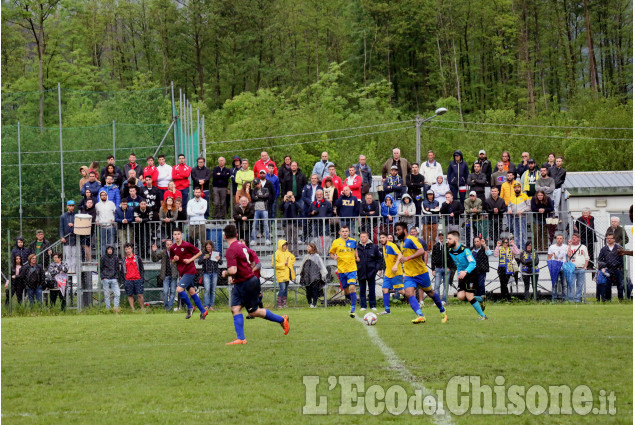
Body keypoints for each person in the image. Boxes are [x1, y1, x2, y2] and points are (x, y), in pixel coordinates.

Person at [222, 224, 289, 345]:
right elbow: (253, 263)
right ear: (237, 235)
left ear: (224, 236)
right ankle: (241, 339)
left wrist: (225, 273)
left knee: (253, 311)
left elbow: (233, 270)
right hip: (243, 282)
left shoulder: (231, 249)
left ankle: (282, 319)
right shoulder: (242, 246)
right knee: (235, 308)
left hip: (246, 282)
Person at [395, 222, 447, 324]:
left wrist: (408, 258)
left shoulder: (412, 239)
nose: (396, 232)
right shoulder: (402, 243)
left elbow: (422, 251)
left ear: (405, 230)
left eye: (398, 230)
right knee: (409, 293)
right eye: (396, 230)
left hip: (421, 273)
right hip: (410, 275)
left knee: (431, 293)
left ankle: (442, 310)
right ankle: (420, 315)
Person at [168, 228, 206, 319]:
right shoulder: (173, 248)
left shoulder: (187, 245)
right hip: (183, 272)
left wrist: (190, 260)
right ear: (173, 236)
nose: (177, 236)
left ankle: (190, 307)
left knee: (179, 289)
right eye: (175, 234)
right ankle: (203, 311)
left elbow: (199, 252)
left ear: (181, 235)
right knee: (192, 292)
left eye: (178, 234)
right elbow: (172, 260)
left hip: (190, 270)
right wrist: (175, 260)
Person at [329, 225, 359, 318]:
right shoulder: (336, 242)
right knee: (346, 290)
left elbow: (355, 252)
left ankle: (353, 308)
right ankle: (349, 301)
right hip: (341, 269)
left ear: (349, 232)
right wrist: (334, 257)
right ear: (340, 233)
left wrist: (357, 257)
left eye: (346, 231)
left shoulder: (353, 241)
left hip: (352, 269)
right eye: (343, 231)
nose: (345, 233)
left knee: (352, 288)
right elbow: (331, 253)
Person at [378, 231, 404, 315]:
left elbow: (400, 255)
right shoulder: (384, 247)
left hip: (396, 272)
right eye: (380, 238)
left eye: (383, 237)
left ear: (387, 238)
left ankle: (415, 300)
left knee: (401, 291)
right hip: (388, 273)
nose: (381, 239)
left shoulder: (392, 245)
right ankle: (387, 310)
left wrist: (396, 265)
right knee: (384, 289)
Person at [356, 231, 382, 311]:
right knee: (362, 290)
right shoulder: (356, 247)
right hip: (361, 271)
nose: (362, 238)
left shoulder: (374, 247)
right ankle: (363, 306)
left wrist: (376, 268)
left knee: (372, 289)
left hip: (371, 271)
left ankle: (373, 305)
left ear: (368, 237)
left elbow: (379, 258)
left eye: (364, 236)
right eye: (361, 236)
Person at [151, 239, 178, 310]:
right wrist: (154, 251)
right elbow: (155, 259)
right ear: (166, 245)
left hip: (173, 275)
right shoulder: (163, 252)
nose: (169, 246)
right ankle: (166, 307)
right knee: (165, 292)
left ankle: (170, 307)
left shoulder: (176, 253)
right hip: (165, 275)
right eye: (168, 244)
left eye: (170, 244)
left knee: (172, 292)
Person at [299, 243, 327, 308]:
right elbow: (302, 266)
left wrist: (324, 273)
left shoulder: (317, 257)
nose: (307, 248)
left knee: (315, 290)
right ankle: (310, 302)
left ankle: (314, 303)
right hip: (307, 277)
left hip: (315, 277)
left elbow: (321, 265)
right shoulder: (306, 257)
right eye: (307, 247)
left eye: (309, 247)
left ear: (312, 248)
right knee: (308, 290)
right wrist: (299, 273)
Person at [597, 233, 624, 301]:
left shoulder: (618, 248)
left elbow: (622, 259)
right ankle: (608, 300)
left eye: (610, 238)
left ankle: (621, 300)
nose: (609, 239)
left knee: (620, 285)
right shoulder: (604, 249)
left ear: (614, 239)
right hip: (608, 269)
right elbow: (600, 259)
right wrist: (603, 267)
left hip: (617, 269)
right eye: (607, 238)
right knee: (607, 285)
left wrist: (620, 267)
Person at [566, 233, 589, 303]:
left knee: (580, 285)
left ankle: (578, 299)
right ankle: (571, 299)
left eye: (575, 237)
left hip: (581, 268)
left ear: (579, 239)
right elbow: (568, 255)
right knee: (571, 284)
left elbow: (587, 258)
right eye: (572, 237)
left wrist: (585, 266)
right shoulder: (569, 247)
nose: (573, 239)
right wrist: (569, 245)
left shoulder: (583, 247)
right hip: (572, 269)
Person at [121, 243, 144, 310]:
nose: (128, 250)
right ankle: (133, 309)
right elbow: (122, 270)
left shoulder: (137, 258)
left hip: (138, 279)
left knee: (140, 294)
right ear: (125, 250)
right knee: (130, 295)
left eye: (129, 249)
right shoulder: (124, 259)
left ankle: (142, 308)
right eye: (126, 249)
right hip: (128, 279)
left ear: (132, 249)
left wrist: (141, 277)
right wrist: (124, 279)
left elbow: (141, 268)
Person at [199, 240, 221, 311]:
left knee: (213, 290)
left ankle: (211, 305)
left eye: (209, 247)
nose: (208, 248)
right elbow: (199, 262)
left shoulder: (215, 253)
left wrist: (219, 259)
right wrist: (204, 258)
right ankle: (206, 305)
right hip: (206, 273)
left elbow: (221, 263)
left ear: (212, 247)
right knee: (207, 289)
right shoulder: (203, 253)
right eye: (207, 247)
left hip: (214, 273)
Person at [273, 240, 295, 308]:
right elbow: (274, 264)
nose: (285, 247)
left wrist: (289, 264)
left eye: (286, 245)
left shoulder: (288, 253)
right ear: (281, 246)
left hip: (287, 274)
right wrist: (283, 264)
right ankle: (279, 304)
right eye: (284, 245)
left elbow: (293, 258)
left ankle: (284, 304)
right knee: (282, 288)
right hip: (281, 274)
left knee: (285, 289)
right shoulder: (276, 253)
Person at [507, 182, 530, 247]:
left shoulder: (525, 196)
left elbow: (529, 206)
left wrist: (522, 211)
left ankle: (524, 247)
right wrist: (509, 209)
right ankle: (516, 247)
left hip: (523, 217)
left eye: (518, 187)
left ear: (520, 188)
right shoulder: (511, 197)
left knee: (523, 232)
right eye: (515, 188)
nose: (517, 189)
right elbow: (509, 206)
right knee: (516, 233)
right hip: (514, 217)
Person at [547, 234, 568, 302]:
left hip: (563, 267)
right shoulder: (552, 247)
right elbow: (549, 257)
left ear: (563, 239)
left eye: (560, 238)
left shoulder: (566, 247)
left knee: (564, 284)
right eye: (558, 238)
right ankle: (554, 299)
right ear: (556, 239)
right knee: (554, 284)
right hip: (554, 267)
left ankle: (565, 299)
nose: (559, 240)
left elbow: (568, 256)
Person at [251, 178, 272, 245]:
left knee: (266, 224)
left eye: (257, 183)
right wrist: (261, 197)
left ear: (260, 183)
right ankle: (253, 239)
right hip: (256, 209)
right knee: (254, 225)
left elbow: (266, 196)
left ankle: (267, 239)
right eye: (255, 184)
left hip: (264, 209)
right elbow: (253, 198)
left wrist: (258, 196)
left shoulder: (265, 189)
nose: (256, 185)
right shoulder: (254, 190)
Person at [96, 190, 117, 255]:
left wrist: (113, 220)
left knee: (111, 243)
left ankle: (112, 257)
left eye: (105, 195)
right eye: (102, 195)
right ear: (100, 196)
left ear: (107, 196)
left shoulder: (111, 204)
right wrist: (97, 221)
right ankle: (103, 258)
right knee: (103, 244)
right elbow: (97, 215)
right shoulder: (97, 205)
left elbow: (115, 213)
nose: (103, 196)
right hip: (102, 227)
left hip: (110, 226)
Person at [100, 245, 121, 312]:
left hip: (114, 278)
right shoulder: (103, 258)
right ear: (106, 250)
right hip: (105, 278)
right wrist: (103, 277)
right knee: (107, 295)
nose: (110, 250)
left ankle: (116, 308)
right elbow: (100, 268)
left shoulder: (115, 258)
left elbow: (117, 268)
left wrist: (116, 276)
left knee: (117, 294)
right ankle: (107, 309)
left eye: (111, 249)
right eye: (108, 249)